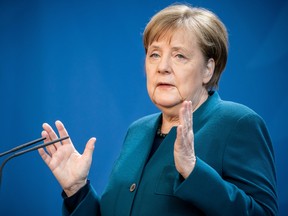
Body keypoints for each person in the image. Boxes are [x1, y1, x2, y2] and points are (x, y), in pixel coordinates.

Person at [38, 3, 278, 216]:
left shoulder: (238, 123)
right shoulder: (138, 131)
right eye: (154, 54)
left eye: (179, 56)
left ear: (208, 69)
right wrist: (76, 190)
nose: (162, 67)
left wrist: (194, 171)